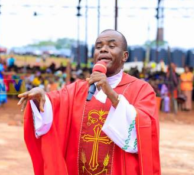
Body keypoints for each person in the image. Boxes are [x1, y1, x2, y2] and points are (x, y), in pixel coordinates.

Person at [18, 29, 161, 175]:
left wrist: (110, 94)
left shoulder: (142, 90)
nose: (103, 49)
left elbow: (145, 129)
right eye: (98, 47)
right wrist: (40, 98)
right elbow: (52, 106)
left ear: (124, 56)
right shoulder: (77, 90)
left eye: (111, 46)